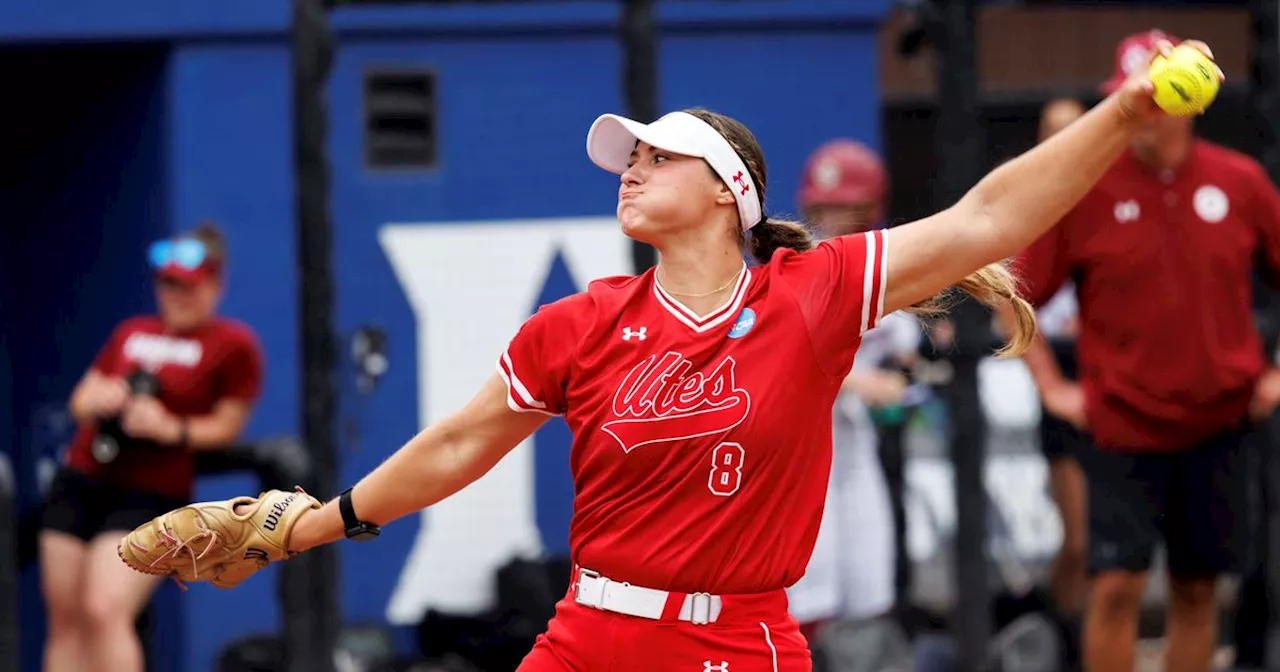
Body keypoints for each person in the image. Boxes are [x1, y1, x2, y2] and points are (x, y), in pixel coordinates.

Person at [121, 38, 1219, 672]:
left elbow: (985, 220)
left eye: (658, 154)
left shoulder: (813, 290)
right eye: (627, 155)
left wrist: (1123, 112)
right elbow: (460, 442)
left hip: (738, 645)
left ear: (729, 195)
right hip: (588, 632)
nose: (630, 167)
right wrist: (315, 522)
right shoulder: (580, 322)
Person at [997, 30, 1280, 672]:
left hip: (1222, 422)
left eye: (1158, 95)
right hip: (1122, 426)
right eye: (1135, 97)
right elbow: (1014, 291)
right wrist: (1051, 386)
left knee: (1198, 587)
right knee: (1117, 585)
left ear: (1191, 102)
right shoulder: (1087, 188)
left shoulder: (1241, 182)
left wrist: (1275, 374)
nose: (1146, 109)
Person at [40, 223, 264, 672]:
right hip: (84, 476)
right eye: (168, 284)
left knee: (104, 609)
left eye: (189, 286)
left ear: (214, 286)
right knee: (66, 620)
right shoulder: (131, 332)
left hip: (149, 494)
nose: (177, 296)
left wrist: (170, 428)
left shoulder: (232, 344)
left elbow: (227, 425)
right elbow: (81, 400)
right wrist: (102, 399)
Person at [784, 139, 917, 669]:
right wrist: (862, 384)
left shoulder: (887, 266)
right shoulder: (789, 267)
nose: (834, 220)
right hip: (796, 454)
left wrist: (906, 374)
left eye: (847, 209)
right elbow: (785, 349)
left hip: (854, 447)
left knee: (870, 580)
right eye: (824, 208)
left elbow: (909, 346)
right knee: (807, 592)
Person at [1031, 96, 1090, 672]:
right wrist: (1048, 381)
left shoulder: (1116, 192)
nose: (1062, 142)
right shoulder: (1027, 201)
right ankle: (1063, 644)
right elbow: (1010, 294)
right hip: (1061, 373)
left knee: (1115, 552)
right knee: (1078, 541)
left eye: (1074, 132)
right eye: (1052, 132)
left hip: (1118, 373)